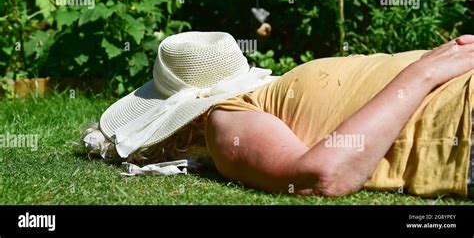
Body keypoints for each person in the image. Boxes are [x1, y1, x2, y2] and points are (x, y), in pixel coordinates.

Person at [83, 31, 474, 198]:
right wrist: (422, 73)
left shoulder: (262, 97)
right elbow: (321, 175)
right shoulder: (225, 119)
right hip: (458, 117)